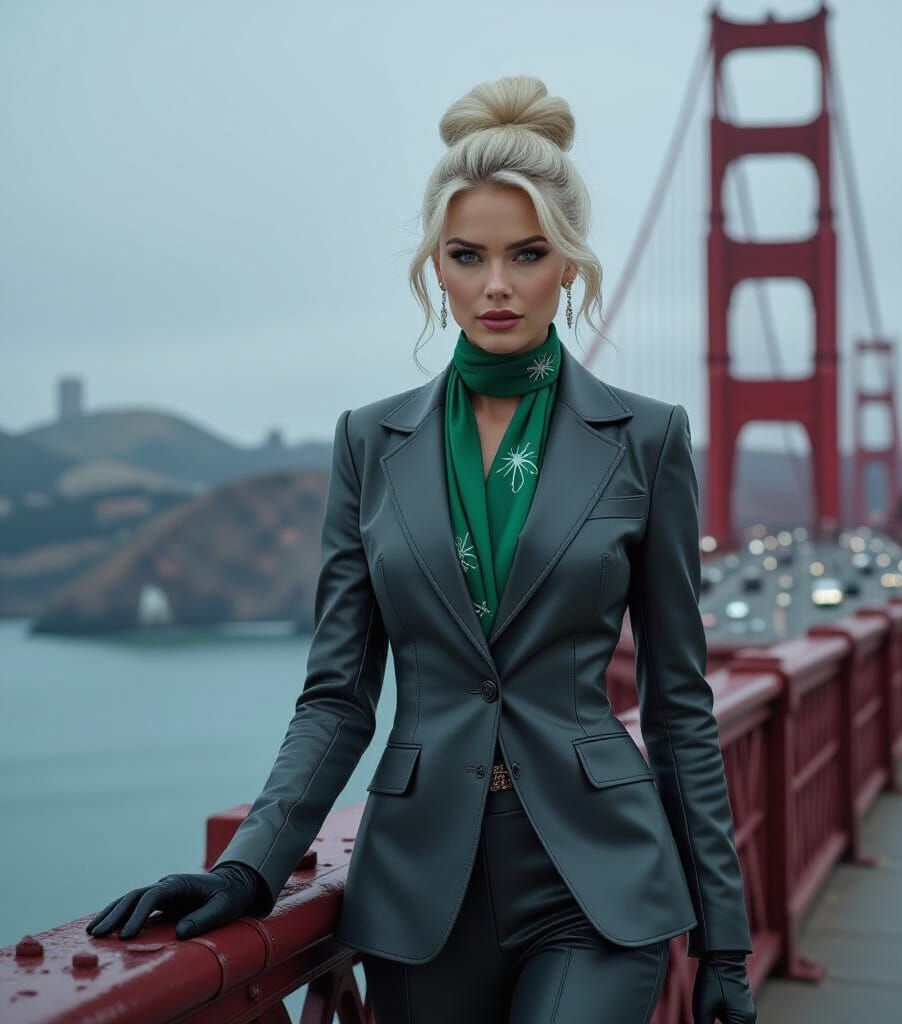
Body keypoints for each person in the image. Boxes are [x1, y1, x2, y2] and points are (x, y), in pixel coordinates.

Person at [87, 74, 757, 1024]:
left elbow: (678, 700)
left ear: (568, 265)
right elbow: (337, 695)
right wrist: (248, 868)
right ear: (434, 269)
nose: (495, 285)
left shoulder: (644, 440)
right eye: (467, 255)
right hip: (420, 887)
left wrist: (724, 939)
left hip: (597, 880)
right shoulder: (370, 442)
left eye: (526, 255)